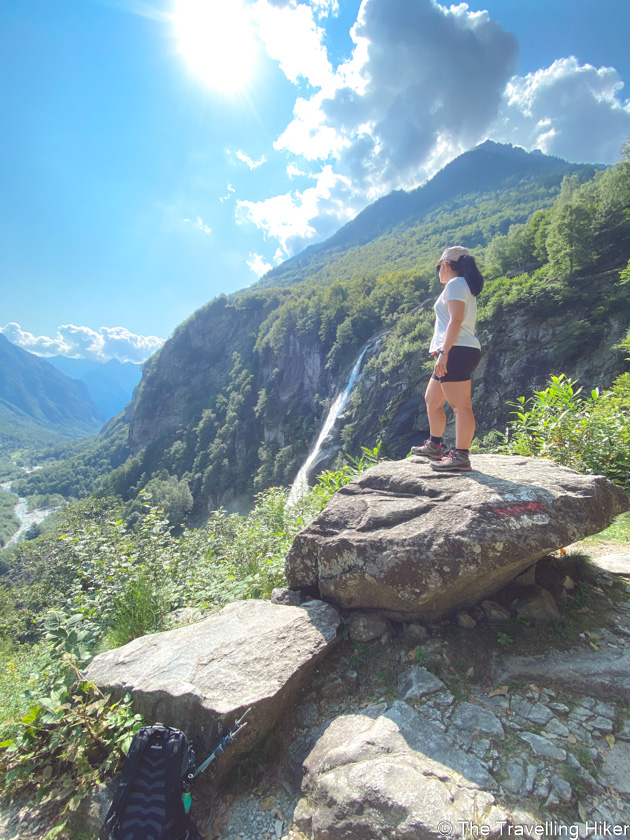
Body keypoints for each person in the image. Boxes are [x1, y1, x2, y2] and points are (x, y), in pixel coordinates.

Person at [411, 245, 483, 471]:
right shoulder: (461, 285)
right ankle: (435, 445)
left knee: (461, 406)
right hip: (455, 349)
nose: (438, 272)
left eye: (438, 267)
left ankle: (461, 456)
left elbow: (455, 320)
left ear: (447, 265)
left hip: (457, 350)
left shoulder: (455, 284)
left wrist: (444, 353)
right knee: (432, 400)